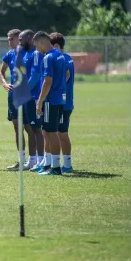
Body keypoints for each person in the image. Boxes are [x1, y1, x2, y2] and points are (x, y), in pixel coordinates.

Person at [33, 31, 67, 176]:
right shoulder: (60, 55)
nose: (37, 50)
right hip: (60, 99)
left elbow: (47, 82)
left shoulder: (48, 57)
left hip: (50, 100)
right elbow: (66, 75)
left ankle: (55, 167)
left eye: (36, 46)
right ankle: (50, 165)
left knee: (51, 133)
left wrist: (39, 101)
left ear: (41, 42)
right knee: (50, 132)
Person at [0, 29, 28, 171]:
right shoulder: (9, 55)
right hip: (13, 96)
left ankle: (36, 160)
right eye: (8, 39)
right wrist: (4, 83)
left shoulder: (27, 54)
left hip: (27, 96)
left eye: (12, 39)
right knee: (17, 128)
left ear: (19, 39)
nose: (9, 42)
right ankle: (21, 160)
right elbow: (1, 71)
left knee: (30, 128)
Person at [50, 32, 74, 173]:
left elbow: (66, 76)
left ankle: (67, 165)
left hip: (62, 103)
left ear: (57, 46)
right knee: (59, 132)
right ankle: (65, 164)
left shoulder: (62, 59)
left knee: (62, 133)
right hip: (65, 102)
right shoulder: (68, 58)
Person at [19, 30, 43, 171]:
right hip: (26, 97)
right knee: (29, 129)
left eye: (21, 39)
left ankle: (41, 161)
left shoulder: (35, 53)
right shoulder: (25, 53)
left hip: (34, 97)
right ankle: (32, 160)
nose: (19, 41)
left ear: (29, 38)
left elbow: (35, 75)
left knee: (37, 129)